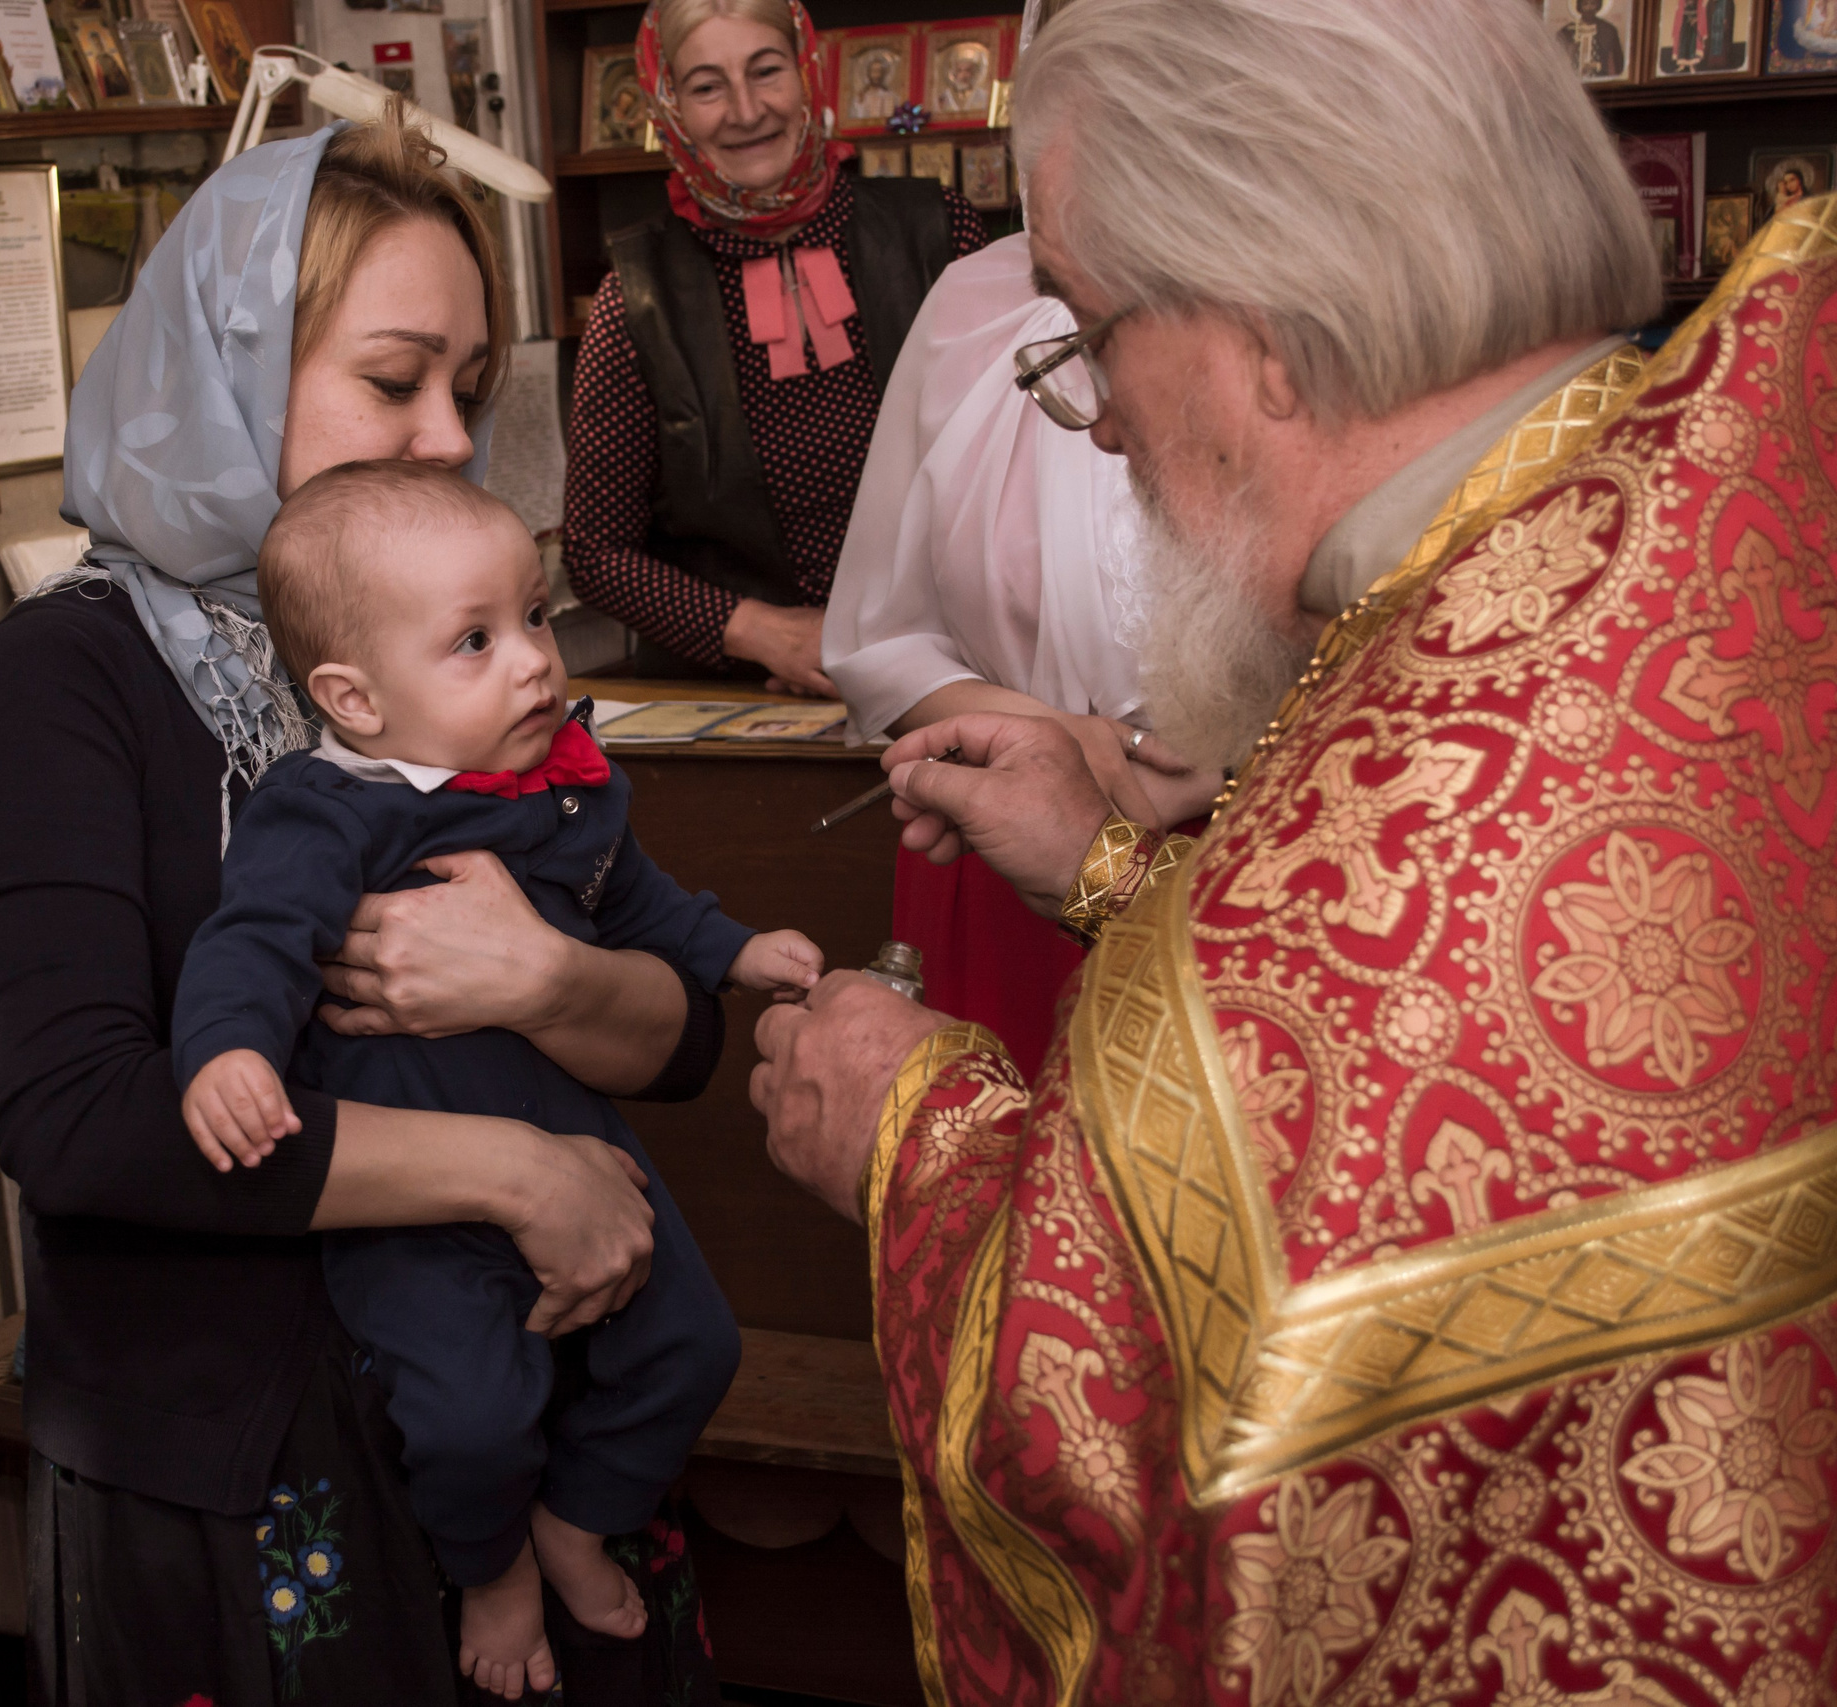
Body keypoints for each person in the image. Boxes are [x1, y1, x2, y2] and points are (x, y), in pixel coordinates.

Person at [751, 1, 1836, 1702]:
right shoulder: (1715, 522)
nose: (1099, 421)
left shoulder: (1411, 796)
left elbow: (1148, 1432)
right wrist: (1109, 873)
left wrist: (908, 1129)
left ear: (1261, 324)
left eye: (1090, 335)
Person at [0, 118, 727, 1706]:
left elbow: (685, 1024)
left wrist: (545, 976)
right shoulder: (67, 676)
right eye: (393, 379)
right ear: (226, 363)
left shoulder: (469, 639)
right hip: (247, 1445)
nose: (445, 436)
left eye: (472, 389)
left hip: (534, 1404)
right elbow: (84, 1117)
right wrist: (523, 1169)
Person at [177, 462, 821, 1698]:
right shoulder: (326, 813)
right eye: (474, 641)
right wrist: (231, 1053)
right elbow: (250, 940)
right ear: (353, 699)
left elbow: (634, 903)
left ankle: (575, 1520)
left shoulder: (562, 780)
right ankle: (492, 1567)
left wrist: (732, 950)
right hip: (413, 1203)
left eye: (534, 616)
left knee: (694, 1344)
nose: (534, 659)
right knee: (470, 1412)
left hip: (579, 1149)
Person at [823, 229, 1212, 1074]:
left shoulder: (1306, 289)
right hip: (1007, 857)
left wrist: (1228, 760)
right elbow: (881, 634)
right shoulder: (972, 302)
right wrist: (1053, 736)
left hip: (1248, 851)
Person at [563, 0, 991, 692]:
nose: (745, 109)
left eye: (766, 71)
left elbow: (1021, 466)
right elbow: (593, 552)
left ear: (808, 74)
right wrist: (764, 632)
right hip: (740, 704)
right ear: (668, 104)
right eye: (706, 86)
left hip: (958, 671)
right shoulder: (634, 301)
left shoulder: (940, 235)